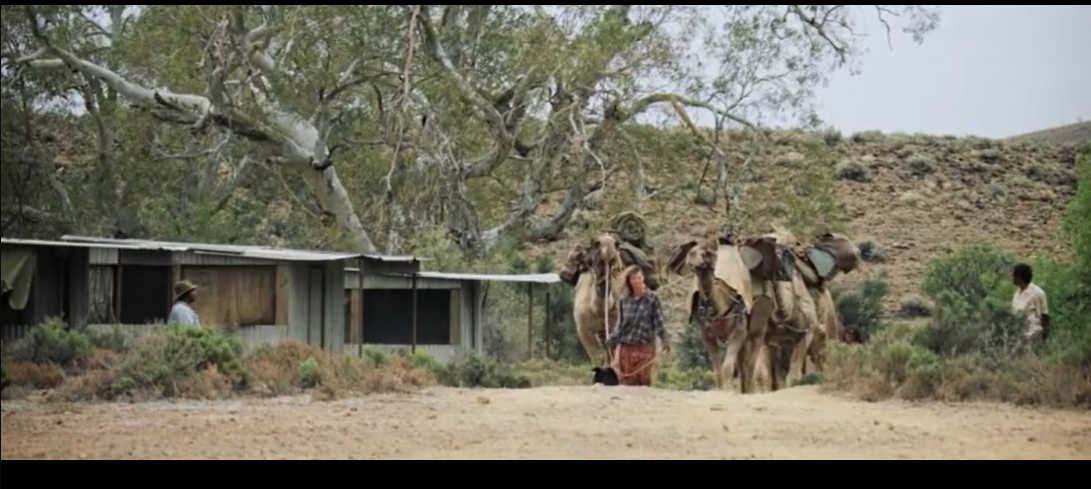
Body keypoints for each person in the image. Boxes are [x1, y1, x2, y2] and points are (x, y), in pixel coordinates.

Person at [605, 265, 671, 387]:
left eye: (639, 277)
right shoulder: (623, 301)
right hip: (626, 349)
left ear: (643, 278)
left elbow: (659, 321)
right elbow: (620, 324)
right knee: (626, 383)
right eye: (634, 278)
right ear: (629, 282)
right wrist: (612, 338)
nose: (637, 281)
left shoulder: (652, 299)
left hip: (645, 348)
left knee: (643, 382)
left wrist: (665, 340)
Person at [1011, 263, 1049, 344]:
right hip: (1020, 335)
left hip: (1033, 335)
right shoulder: (1017, 293)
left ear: (1019, 277)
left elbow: (1044, 315)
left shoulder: (1037, 293)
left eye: (1014, 276)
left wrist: (1044, 338)